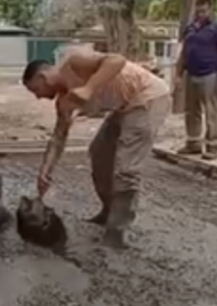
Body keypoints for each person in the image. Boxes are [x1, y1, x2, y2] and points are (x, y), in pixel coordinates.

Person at [21, 48, 170, 248]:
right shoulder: (64, 102)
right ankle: (109, 210)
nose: (38, 97)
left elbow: (117, 60)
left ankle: (117, 232)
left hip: (148, 97)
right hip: (124, 106)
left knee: (126, 169)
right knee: (99, 153)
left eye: (35, 90)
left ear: (43, 77)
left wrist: (89, 88)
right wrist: (45, 170)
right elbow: (58, 137)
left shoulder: (74, 63)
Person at [175, 0, 217, 160]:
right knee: (191, 111)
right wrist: (177, 75)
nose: (201, 14)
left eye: (204, 11)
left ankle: (213, 146)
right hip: (191, 74)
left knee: (211, 112)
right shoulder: (190, 29)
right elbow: (183, 54)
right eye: (198, 11)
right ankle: (193, 143)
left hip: (209, 75)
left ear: (210, 10)